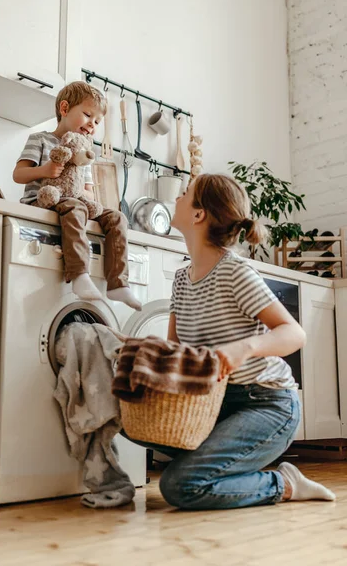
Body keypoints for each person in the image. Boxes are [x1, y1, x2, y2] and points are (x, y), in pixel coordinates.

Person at [128, 173, 336, 509]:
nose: (177, 199)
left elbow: (294, 333)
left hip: (266, 403)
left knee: (181, 486)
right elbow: (176, 352)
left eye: (184, 194)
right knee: (127, 418)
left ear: (199, 215)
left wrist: (244, 348)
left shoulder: (234, 272)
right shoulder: (182, 279)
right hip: (215, 402)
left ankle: (284, 483)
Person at [13, 81, 141, 310]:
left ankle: (118, 284)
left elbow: (89, 193)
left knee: (117, 217)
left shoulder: (85, 153)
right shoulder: (40, 139)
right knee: (77, 207)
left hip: (74, 201)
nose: (92, 125)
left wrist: (77, 189)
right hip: (44, 200)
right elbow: (19, 174)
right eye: (87, 115)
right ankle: (80, 274)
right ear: (64, 109)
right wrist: (45, 171)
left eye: (97, 122)